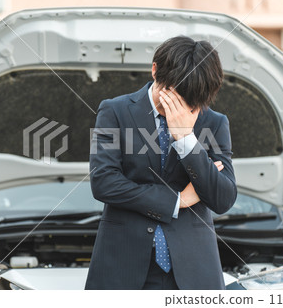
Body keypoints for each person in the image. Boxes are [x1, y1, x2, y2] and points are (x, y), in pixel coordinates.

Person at [85, 35, 237, 290]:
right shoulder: (114, 111)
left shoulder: (214, 121)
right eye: (174, 96)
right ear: (155, 70)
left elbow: (223, 198)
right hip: (122, 268)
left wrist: (186, 139)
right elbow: (104, 183)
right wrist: (177, 201)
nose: (179, 109)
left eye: (189, 101)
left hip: (193, 273)